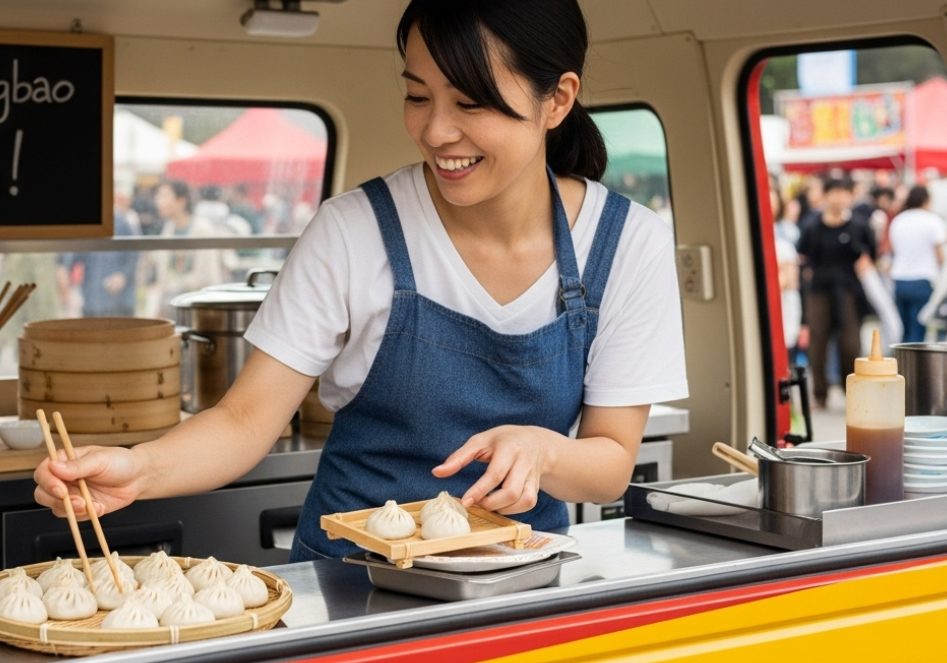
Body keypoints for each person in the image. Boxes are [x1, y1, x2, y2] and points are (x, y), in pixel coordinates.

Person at [33, 0, 688, 561]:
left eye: (470, 102)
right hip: (353, 581)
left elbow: (608, 464)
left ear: (557, 100)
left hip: (517, 578)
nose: (435, 130)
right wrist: (138, 468)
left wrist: (542, 452)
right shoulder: (354, 230)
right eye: (415, 95)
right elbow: (243, 418)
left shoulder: (626, 242)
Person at [797, 177, 876, 408]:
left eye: (844, 192)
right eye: (834, 192)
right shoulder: (812, 225)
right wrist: (807, 274)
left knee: (850, 344)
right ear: (826, 195)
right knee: (818, 342)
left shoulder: (859, 225)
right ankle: (820, 394)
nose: (839, 197)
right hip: (819, 290)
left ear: (850, 196)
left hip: (849, 290)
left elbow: (872, 252)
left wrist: (866, 263)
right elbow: (802, 255)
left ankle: (852, 392)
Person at [887, 185, 946, 343]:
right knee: (917, 332)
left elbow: (893, 249)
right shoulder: (933, 221)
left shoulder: (898, 220)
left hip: (899, 280)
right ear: (926, 200)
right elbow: (940, 255)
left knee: (904, 331)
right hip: (923, 280)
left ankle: (903, 365)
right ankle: (913, 367)